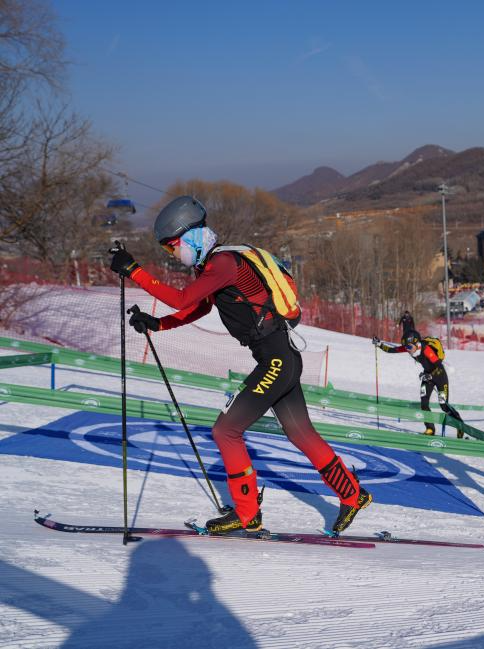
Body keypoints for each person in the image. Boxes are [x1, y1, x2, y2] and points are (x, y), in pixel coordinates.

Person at [109, 196, 370, 535]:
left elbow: (183, 299)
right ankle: (352, 494)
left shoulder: (224, 263)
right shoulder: (215, 266)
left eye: (172, 246)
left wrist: (134, 271)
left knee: (225, 431)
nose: (172, 254)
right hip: (281, 357)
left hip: (277, 360)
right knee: (300, 433)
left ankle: (247, 515)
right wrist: (158, 324)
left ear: (190, 236)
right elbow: (199, 307)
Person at [373, 330, 463, 437]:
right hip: (427, 376)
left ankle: (460, 425)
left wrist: (430, 376)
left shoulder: (426, 349)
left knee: (444, 406)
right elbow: (392, 350)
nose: (408, 350)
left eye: (409, 347)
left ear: (416, 343)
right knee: (424, 404)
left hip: (440, 376)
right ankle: (430, 428)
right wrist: (379, 344)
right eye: (406, 347)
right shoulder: (410, 347)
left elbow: (439, 365)